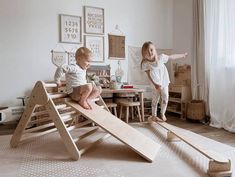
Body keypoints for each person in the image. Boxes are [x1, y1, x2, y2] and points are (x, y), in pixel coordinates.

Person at [141, 41, 187, 122]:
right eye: (147, 52)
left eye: (151, 50)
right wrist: (155, 84)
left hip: (164, 80)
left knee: (165, 97)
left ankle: (162, 113)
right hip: (155, 83)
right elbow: (149, 75)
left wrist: (182, 55)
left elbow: (171, 57)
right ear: (144, 55)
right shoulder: (145, 63)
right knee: (155, 99)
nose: (150, 53)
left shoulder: (161, 58)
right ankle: (154, 115)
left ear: (154, 50)